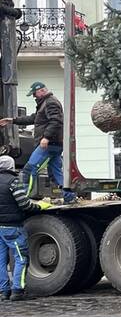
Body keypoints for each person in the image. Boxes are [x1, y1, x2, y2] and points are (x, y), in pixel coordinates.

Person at [0, 82, 75, 203]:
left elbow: (56, 121)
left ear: (41, 91)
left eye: (35, 93)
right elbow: (33, 118)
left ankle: (23, 199)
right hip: (56, 144)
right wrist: (12, 120)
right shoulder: (44, 104)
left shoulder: (50, 102)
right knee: (55, 171)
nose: (34, 96)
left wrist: (46, 137)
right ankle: (70, 197)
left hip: (49, 144)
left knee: (30, 169)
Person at [0, 155, 49, 301]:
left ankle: (4, 291)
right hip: (13, 227)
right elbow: (24, 204)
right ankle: (18, 291)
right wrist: (39, 206)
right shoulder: (13, 182)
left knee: (1, 261)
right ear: (11, 166)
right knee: (21, 259)